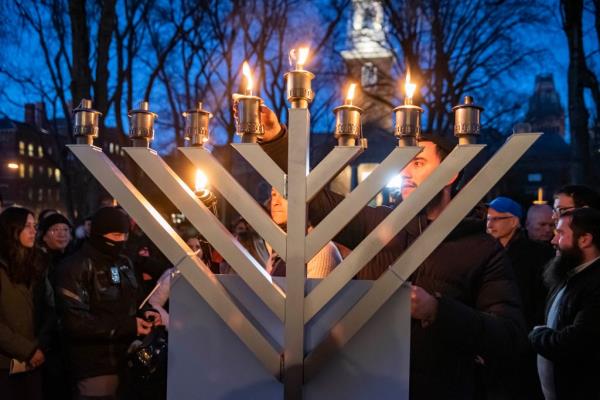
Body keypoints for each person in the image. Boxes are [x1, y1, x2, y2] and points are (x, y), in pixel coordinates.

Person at [256, 105, 526, 399]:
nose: (406, 173)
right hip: (369, 386)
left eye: (419, 163)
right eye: (405, 162)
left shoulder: (481, 249)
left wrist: (439, 310)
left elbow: (509, 336)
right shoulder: (379, 225)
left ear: (450, 175)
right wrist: (276, 141)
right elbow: (313, 198)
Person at [56, 206, 161, 399]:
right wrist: (129, 326)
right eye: (115, 235)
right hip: (95, 366)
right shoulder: (74, 268)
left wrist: (146, 312)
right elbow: (75, 323)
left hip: (130, 360)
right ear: (98, 233)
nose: (121, 240)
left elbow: (135, 298)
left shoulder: (124, 262)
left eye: (124, 235)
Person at [486, 197, 553, 398]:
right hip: (494, 335)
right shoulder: (485, 251)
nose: (490, 224)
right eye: (488, 219)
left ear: (514, 221)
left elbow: (536, 299)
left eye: (497, 219)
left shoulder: (536, 255)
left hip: (522, 339)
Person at [529, 207, 600, 399]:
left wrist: (537, 335)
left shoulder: (595, 284)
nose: (553, 241)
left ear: (585, 239)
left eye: (560, 234)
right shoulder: (568, 275)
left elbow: (576, 341)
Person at [0, 207, 55, 400]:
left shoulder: (38, 265)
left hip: (35, 361)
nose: (33, 231)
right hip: (6, 364)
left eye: (35, 226)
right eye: (27, 226)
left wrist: (40, 346)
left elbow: (49, 309)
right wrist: (28, 350)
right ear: (11, 230)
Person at [267, 188, 342, 278]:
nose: (275, 203)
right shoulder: (279, 250)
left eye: (285, 196)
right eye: (274, 195)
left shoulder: (320, 252)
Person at [37, 212, 73, 287]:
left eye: (66, 230)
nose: (62, 234)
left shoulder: (76, 258)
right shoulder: (38, 261)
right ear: (44, 236)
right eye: (55, 230)